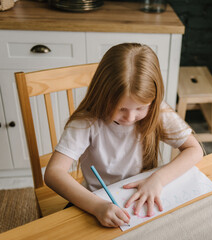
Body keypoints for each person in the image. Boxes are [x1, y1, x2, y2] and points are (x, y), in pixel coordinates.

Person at [44, 43, 203, 228]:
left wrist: (158, 179)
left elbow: (194, 150)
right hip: (97, 199)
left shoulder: (157, 111)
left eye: (141, 108)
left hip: (143, 195)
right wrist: (97, 206)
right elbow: (53, 173)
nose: (130, 117)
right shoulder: (87, 121)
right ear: (103, 96)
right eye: (121, 109)